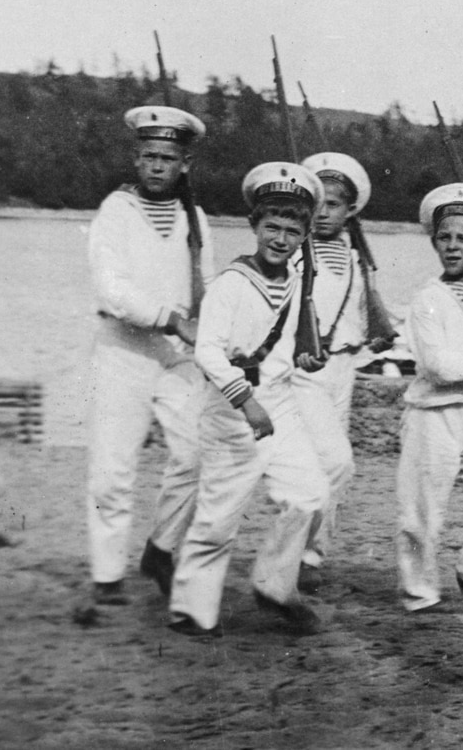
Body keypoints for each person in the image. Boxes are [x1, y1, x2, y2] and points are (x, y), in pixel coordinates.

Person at [169, 162, 329, 638]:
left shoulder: (297, 280)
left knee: (309, 494)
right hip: (231, 408)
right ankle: (191, 611)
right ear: (254, 227)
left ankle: (275, 586)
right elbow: (207, 352)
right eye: (272, 228)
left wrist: (305, 357)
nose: (281, 239)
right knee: (220, 515)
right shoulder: (231, 284)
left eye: (292, 231)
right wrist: (246, 402)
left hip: (277, 400)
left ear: (304, 235)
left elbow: (285, 345)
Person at [86, 105, 215, 605]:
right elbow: (111, 290)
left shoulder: (196, 218)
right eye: (148, 156)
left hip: (176, 353)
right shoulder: (115, 211)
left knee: (195, 451)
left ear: (185, 164)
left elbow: (208, 288)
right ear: (136, 159)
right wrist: (173, 318)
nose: (157, 166)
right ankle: (106, 572)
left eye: (168, 158)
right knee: (113, 468)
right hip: (122, 347)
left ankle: (161, 546)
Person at [395, 182, 463, 613]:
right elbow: (440, 367)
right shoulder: (427, 299)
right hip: (432, 415)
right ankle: (417, 590)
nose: (453, 247)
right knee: (421, 511)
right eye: (445, 238)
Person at [291, 152, 373, 592]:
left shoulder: (355, 254)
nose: (324, 212)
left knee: (328, 463)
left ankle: (312, 553)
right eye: (318, 202)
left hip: (344, 365)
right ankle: (298, 550)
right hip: (304, 368)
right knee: (336, 462)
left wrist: (372, 336)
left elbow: (360, 308)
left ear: (350, 210)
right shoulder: (294, 250)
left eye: (335, 204)